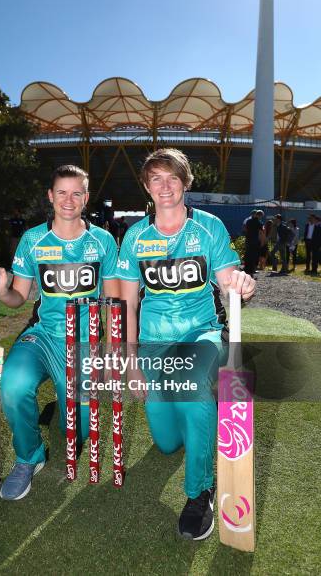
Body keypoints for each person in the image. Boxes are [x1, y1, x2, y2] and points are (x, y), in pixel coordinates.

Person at [116, 148, 255, 541]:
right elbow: (129, 302)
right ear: (146, 186)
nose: (164, 186)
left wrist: (243, 285)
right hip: (153, 344)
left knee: (192, 390)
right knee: (165, 442)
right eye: (156, 178)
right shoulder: (135, 236)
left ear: (186, 182)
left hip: (201, 334)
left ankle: (200, 492)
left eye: (172, 178)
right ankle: (195, 433)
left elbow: (231, 280)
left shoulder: (208, 227)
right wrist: (131, 359)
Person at [0, 165, 119, 500]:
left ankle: (65, 401)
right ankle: (29, 457)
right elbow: (17, 298)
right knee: (12, 384)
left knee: (79, 428)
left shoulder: (102, 241)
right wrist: (1, 291)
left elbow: (114, 298)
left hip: (84, 342)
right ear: (50, 196)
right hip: (42, 336)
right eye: (61, 192)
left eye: (76, 193)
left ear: (86, 198)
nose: (68, 200)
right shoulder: (33, 239)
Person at [244, 210, 262, 275]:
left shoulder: (248, 221)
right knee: (254, 255)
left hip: (248, 239)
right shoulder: (259, 223)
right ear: (259, 215)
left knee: (248, 254)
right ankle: (252, 269)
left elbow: (245, 229)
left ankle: (246, 268)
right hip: (255, 241)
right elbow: (261, 232)